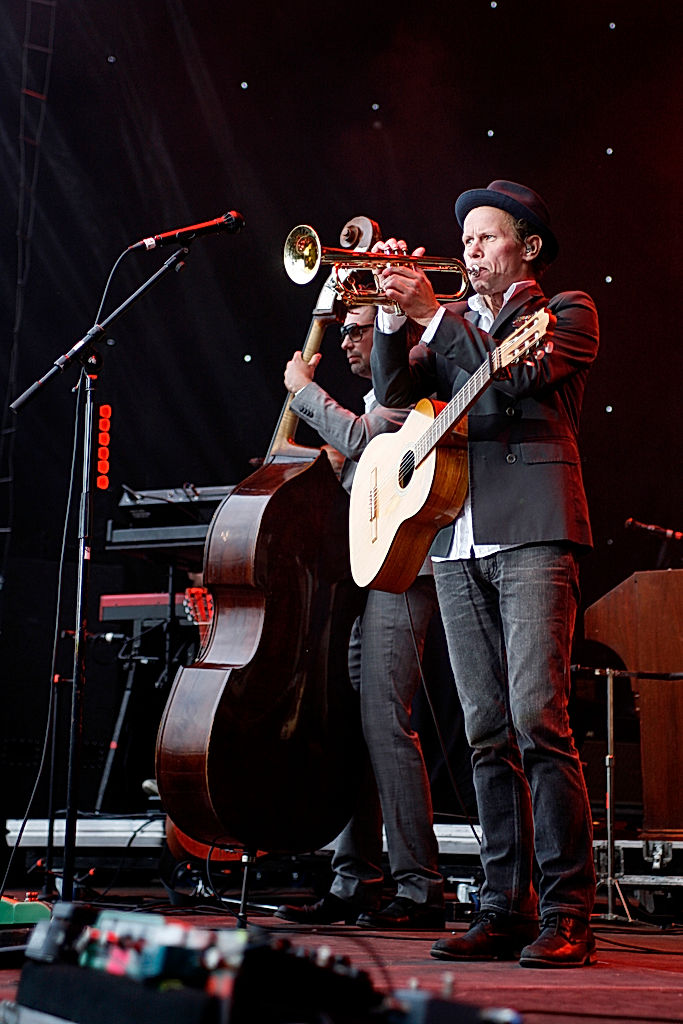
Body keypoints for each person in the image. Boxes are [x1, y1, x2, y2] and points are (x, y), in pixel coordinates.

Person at [369, 181, 598, 966]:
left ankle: (567, 909)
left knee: (538, 717)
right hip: (455, 539)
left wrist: (433, 313)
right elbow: (393, 396)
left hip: (533, 531)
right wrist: (394, 317)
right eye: (462, 236)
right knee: (483, 731)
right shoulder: (454, 326)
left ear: (526, 248)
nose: (468, 247)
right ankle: (503, 904)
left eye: (486, 236)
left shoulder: (564, 311)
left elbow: (516, 385)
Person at [274, 303, 445, 929]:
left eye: (359, 330)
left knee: (385, 720)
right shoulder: (376, 392)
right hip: (370, 568)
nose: (348, 342)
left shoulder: (406, 380)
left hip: (405, 567)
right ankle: (356, 879)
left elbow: (365, 437)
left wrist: (303, 392)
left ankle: (420, 888)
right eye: (343, 330)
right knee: (358, 725)